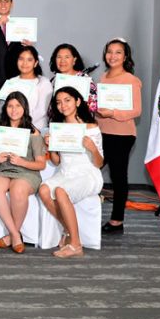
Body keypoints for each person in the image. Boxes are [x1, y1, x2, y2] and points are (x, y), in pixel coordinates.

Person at [39, 87, 104, 258]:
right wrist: (50, 147)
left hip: (88, 174)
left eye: (67, 100)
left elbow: (99, 163)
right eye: (59, 102)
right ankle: (69, 230)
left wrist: (92, 148)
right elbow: (56, 161)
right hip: (65, 172)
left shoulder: (91, 127)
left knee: (61, 191)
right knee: (44, 190)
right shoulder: (58, 128)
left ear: (77, 101)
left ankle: (76, 245)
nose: (63, 105)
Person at [0, 92, 47, 253]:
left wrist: (22, 162)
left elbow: (41, 164)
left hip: (27, 171)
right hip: (3, 169)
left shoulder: (33, 133)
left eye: (18, 106)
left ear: (24, 108)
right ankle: (15, 234)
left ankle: (11, 236)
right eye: (10, 106)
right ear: (5, 108)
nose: (14, 110)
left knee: (17, 190)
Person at [96, 38, 142, 234]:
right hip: (101, 132)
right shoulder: (103, 77)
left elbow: (136, 111)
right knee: (91, 170)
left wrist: (112, 113)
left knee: (118, 176)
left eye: (118, 52)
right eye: (109, 52)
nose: (112, 56)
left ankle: (117, 221)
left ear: (125, 57)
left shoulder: (131, 80)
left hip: (122, 135)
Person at [2, 45, 52, 132]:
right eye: (21, 59)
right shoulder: (10, 82)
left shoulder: (44, 82)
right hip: (12, 130)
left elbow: (41, 110)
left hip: (36, 130)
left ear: (35, 63)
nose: (24, 63)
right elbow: (2, 106)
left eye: (29, 60)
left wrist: (22, 125)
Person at [49, 43, 98, 116]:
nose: (62, 60)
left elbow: (93, 105)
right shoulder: (53, 80)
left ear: (74, 59)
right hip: (57, 121)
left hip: (79, 121)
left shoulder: (84, 79)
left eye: (67, 57)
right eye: (59, 57)